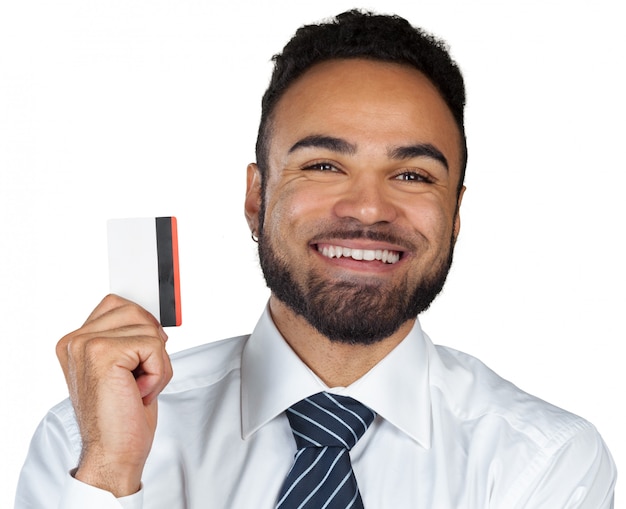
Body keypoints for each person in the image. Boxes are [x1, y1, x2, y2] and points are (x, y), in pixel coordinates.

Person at [16, 9, 616, 509]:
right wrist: (112, 471)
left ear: (455, 216)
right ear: (257, 198)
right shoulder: (83, 440)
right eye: (325, 165)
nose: (367, 209)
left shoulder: (545, 462)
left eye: (412, 174)